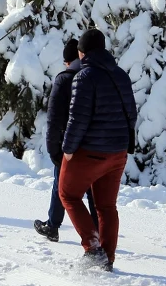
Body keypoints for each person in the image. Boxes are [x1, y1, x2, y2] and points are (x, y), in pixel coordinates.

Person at [59, 27, 137, 272]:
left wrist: (68, 149)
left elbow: (77, 118)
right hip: (118, 152)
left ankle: (93, 249)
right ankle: (108, 260)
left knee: (68, 195)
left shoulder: (85, 76)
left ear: (82, 53)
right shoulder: (121, 75)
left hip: (90, 152)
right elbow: (131, 114)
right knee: (106, 206)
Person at [35, 37, 97, 242]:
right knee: (92, 190)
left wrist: (54, 150)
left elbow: (54, 118)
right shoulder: (94, 75)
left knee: (61, 186)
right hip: (93, 144)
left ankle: (53, 225)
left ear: (68, 61)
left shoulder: (65, 79)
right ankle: (98, 229)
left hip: (68, 143)